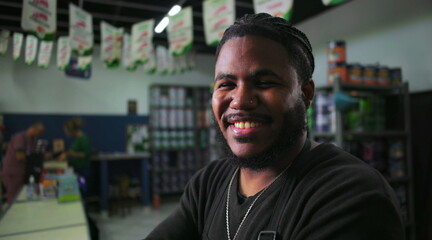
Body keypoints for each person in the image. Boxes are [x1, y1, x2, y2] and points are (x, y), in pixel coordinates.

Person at [146, 13, 404, 240]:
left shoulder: (349, 195)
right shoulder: (209, 183)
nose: (241, 101)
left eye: (265, 82)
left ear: (305, 94)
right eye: (226, 84)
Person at [2, 122, 45, 204]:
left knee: (21, 196)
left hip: (22, 171)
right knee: (14, 197)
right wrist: (35, 158)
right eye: (39, 132)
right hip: (13, 172)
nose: (39, 134)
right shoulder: (20, 137)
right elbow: (20, 156)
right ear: (32, 128)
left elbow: (30, 153)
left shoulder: (31, 140)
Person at [59, 118, 92, 195]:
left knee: (82, 192)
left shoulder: (83, 139)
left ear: (71, 130)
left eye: (66, 131)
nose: (66, 133)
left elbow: (86, 154)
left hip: (83, 170)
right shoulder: (77, 139)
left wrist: (70, 154)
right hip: (76, 169)